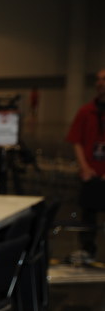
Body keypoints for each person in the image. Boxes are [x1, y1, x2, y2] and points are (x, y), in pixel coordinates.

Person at [66, 68, 105, 264]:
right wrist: (84, 167)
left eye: (104, 79)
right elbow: (77, 141)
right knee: (88, 215)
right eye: (98, 79)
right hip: (91, 173)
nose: (100, 83)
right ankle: (87, 250)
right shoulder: (86, 111)